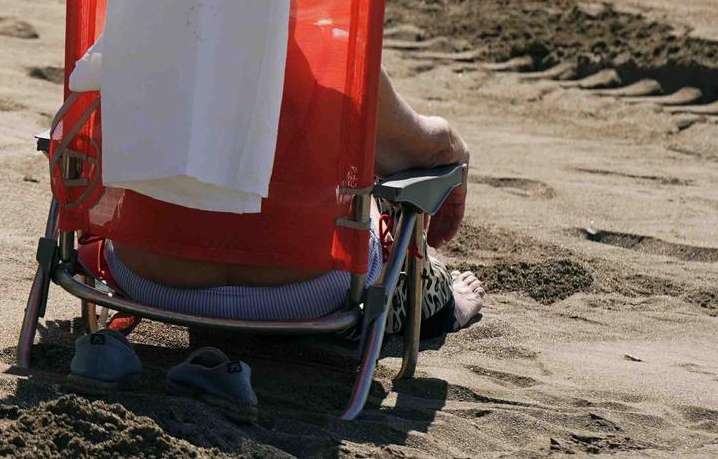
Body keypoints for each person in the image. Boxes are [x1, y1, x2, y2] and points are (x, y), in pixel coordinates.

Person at [107, 65, 484, 330]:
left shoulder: (139, 16)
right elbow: (415, 151)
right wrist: (455, 146)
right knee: (373, 185)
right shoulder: (334, 48)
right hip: (303, 292)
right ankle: (436, 301)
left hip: (143, 273)